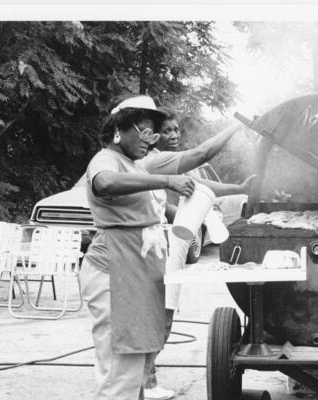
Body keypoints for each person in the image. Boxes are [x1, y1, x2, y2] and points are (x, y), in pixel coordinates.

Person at [78, 94, 197, 400]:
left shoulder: (135, 165)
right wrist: (165, 181)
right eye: (144, 131)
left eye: (153, 133)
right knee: (120, 369)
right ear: (120, 129)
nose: (150, 139)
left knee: (136, 364)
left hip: (136, 274)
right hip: (115, 273)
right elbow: (104, 183)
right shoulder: (106, 159)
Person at [136, 107, 254, 399]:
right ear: (152, 136)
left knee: (164, 315)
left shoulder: (163, 165)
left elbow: (200, 186)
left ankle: (146, 379)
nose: (174, 135)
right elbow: (202, 153)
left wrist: (237, 188)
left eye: (177, 130)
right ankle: (143, 382)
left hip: (163, 247)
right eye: (167, 131)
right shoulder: (153, 160)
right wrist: (235, 127)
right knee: (158, 316)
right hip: (149, 250)